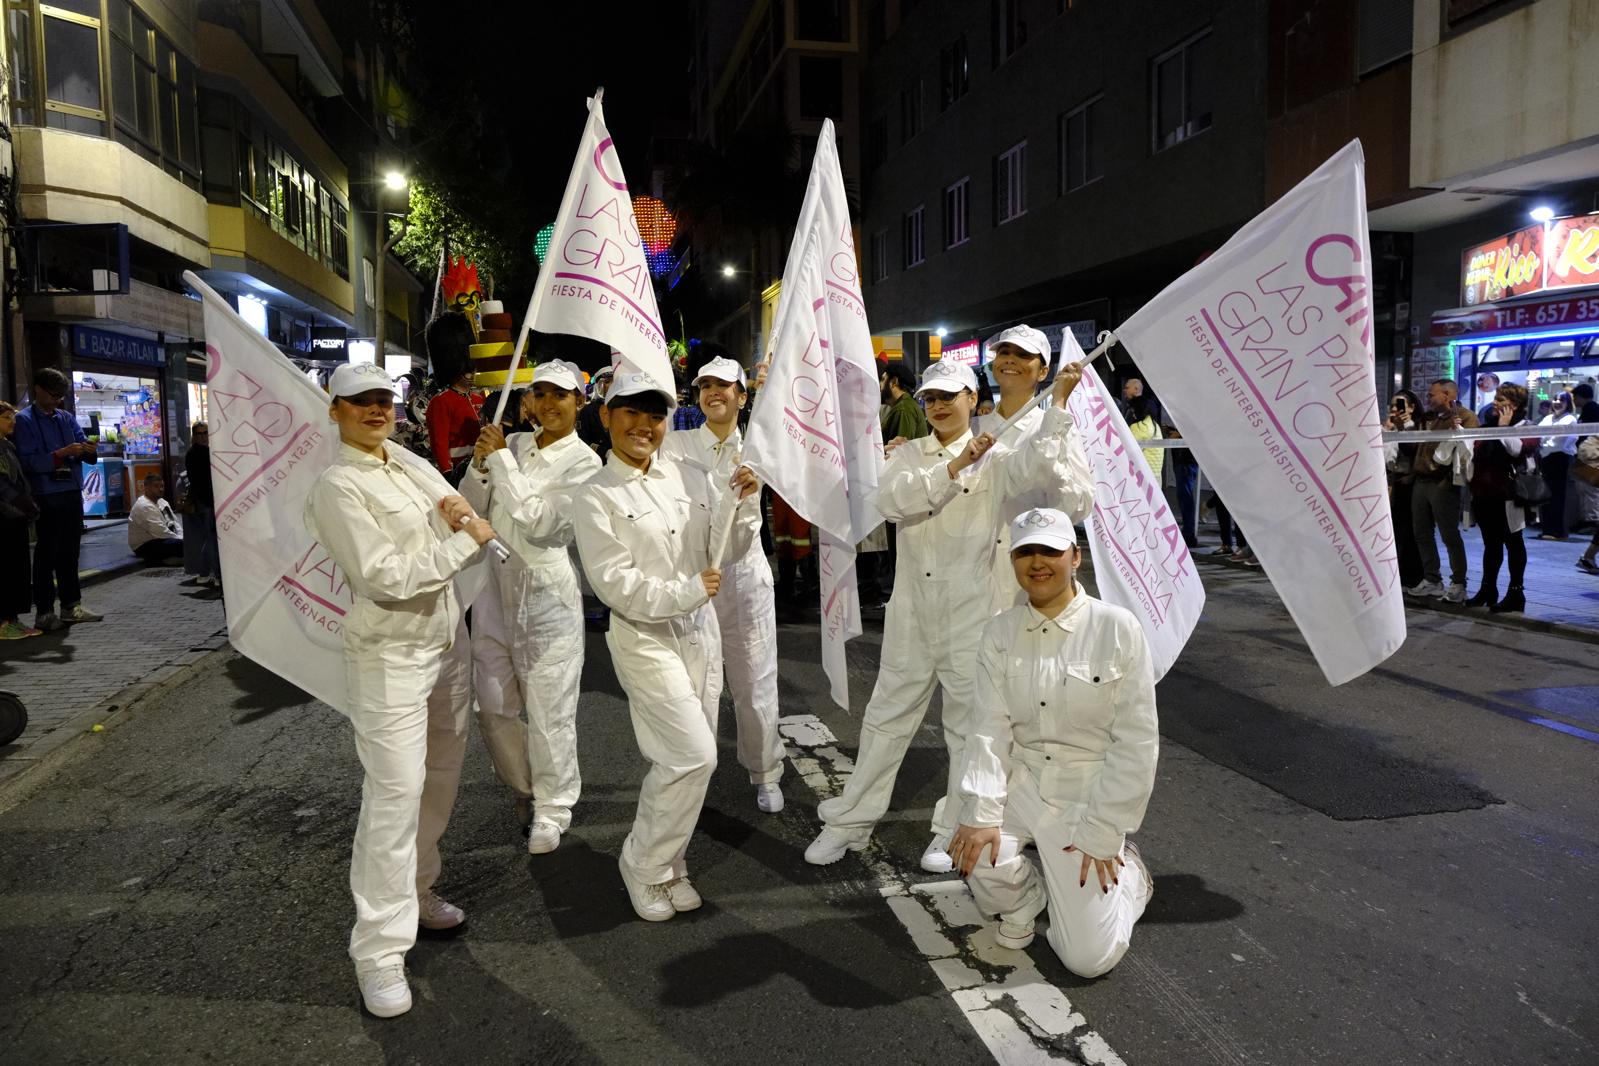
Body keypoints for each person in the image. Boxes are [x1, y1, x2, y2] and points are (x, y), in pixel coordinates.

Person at [805, 359, 1093, 874]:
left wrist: (1061, 404)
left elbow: (1041, 470)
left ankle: (950, 829)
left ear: (971, 400)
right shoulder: (909, 455)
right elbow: (890, 502)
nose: (939, 405)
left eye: (949, 396)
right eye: (930, 398)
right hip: (912, 611)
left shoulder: (999, 456)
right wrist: (956, 466)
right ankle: (849, 822)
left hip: (972, 612)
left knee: (967, 727)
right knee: (885, 719)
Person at [305, 361, 498, 1019]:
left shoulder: (410, 463)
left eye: (382, 400)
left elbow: (455, 509)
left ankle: (417, 891)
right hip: (389, 658)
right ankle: (378, 951)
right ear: (334, 411)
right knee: (393, 795)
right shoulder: (338, 486)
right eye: (359, 402)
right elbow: (382, 577)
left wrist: (464, 503)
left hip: (446, 645)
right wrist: (465, 545)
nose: (375, 410)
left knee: (439, 779)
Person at [571, 369, 761, 922]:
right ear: (605, 416)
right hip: (645, 637)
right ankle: (643, 862)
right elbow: (613, 584)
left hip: (700, 633)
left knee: (693, 762)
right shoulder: (595, 495)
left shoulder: (688, 475)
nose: (644, 425)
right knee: (690, 754)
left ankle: (672, 864)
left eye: (655, 415)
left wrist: (742, 503)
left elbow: (725, 548)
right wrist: (684, 591)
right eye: (630, 412)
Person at [950, 507, 1157, 977]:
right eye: (1025, 552)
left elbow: (1136, 742)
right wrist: (981, 814)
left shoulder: (1116, 628)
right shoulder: (999, 632)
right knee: (969, 842)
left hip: (1086, 795)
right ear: (1013, 561)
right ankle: (1023, 902)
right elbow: (988, 726)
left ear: (1075, 557)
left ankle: (1132, 879)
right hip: (1024, 782)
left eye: (1050, 550)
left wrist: (1105, 831)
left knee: (1087, 960)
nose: (1037, 562)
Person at [463, 361, 601, 853]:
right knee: (493, 705)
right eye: (539, 394)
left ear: (579, 402)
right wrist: (480, 467)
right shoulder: (514, 444)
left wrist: (499, 462)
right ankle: (525, 786)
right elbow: (469, 508)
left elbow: (544, 526)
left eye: (559, 395)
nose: (547, 404)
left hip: (545, 595)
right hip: (493, 588)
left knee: (550, 711)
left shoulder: (586, 464)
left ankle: (553, 806)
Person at [661, 353, 786, 814]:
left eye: (724, 385)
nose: (714, 393)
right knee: (697, 682)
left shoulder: (760, 448)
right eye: (705, 386)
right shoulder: (675, 446)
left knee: (754, 680)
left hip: (745, 577)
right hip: (696, 577)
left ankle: (765, 771)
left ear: (741, 395)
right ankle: (694, 773)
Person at [14, 367, 102, 631]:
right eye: (53, 395)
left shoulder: (65, 417)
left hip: (71, 491)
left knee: (70, 552)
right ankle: (44, 612)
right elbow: (28, 462)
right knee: (46, 554)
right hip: (46, 493)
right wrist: (61, 453)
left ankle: (70, 606)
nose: (57, 401)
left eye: (61, 396)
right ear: (38, 390)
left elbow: (82, 445)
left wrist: (87, 449)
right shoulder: (25, 421)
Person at [1464, 383, 1538, 614]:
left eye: (1500, 399)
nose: (1495, 402)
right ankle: (1488, 589)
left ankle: (1516, 593)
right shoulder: (1488, 425)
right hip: (1484, 495)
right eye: (1495, 398)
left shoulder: (1526, 427)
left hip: (1509, 496)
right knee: (1491, 545)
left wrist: (1504, 427)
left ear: (1514, 405)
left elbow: (1517, 451)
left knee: (1514, 543)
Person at [1408, 379, 1478, 603]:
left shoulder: (1466, 417)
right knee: (1422, 532)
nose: (1428, 399)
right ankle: (1432, 579)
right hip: (1421, 480)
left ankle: (1458, 583)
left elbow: (1468, 450)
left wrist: (1449, 480)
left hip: (1443, 483)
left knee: (1449, 534)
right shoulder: (1433, 418)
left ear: (1447, 395)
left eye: (1432, 395)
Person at [423, 312, 485, 484]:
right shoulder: (441, 402)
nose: (471, 373)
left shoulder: (478, 398)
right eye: (466, 370)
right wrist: (449, 474)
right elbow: (440, 445)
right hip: (460, 474)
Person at [0, 401, 41, 639]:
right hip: (5, 517)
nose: (12, 422)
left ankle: (12, 618)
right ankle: (5, 621)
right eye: (6, 418)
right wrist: (22, 504)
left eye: (12, 417)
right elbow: (3, 484)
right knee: (8, 569)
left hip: (15, 517)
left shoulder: (7, 445)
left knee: (18, 568)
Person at [1383, 390, 1424, 590]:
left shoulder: (1415, 427)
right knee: (1395, 530)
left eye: (1399, 405)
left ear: (1412, 407)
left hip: (1408, 482)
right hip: (1392, 481)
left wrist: (1402, 430)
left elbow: (1411, 452)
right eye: (1392, 405)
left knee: (1408, 530)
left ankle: (1412, 575)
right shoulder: (1390, 427)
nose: (1394, 409)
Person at [1535, 393, 1578, 540]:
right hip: (1547, 459)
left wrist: (1544, 445)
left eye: (1562, 400)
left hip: (1562, 460)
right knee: (1546, 494)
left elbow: (1559, 443)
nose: (1557, 402)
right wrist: (1544, 444)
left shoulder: (1570, 419)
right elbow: (1538, 436)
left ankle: (1559, 531)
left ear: (1568, 403)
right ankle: (1548, 529)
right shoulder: (1548, 418)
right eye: (1555, 399)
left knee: (1559, 496)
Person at [184, 422, 220, 587]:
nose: (203, 436)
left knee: (210, 537)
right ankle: (217, 575)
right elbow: (199, 482)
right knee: (211, 538)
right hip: (206, 502)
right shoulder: (197, 454)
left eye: (205, 433)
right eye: (199, 434)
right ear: (194, 436)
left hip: (209, 501)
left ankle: (205, 572)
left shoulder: (204, 452)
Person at [128, 474, 184, 565]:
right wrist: (181, 540)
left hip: (162, 539)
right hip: (144, 545)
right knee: (182, 545)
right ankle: (165, 561)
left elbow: (174, 522)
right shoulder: (144, 506)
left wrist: (181, 537)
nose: (161, 489)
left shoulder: (162, 502)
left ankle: (177, 559)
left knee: (189, 543)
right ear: (146, 488)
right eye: (156, 486)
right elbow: (160, 531)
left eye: (162, 486)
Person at [881, 361, 930, 442]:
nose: (880, 385)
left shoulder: (903, 409)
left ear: (893, 382)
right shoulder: (904, 405)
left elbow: (902, 450)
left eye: (883, 380)